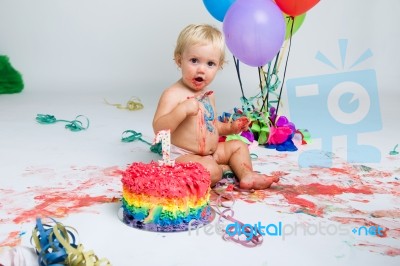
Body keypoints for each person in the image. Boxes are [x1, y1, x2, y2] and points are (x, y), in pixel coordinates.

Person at [152, 24, 279, 190]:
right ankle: (202, 173)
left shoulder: (208, 95)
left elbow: (211, 126)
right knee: (213, 171)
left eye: (210, 64)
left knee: (238, 146)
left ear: (219, 66)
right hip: (183, 156)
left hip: (210, 153)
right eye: (194, 60)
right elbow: (159, 129)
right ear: (179, 60)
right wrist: (181, 110)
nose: (201, 69)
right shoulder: (173, 94)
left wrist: (230, 128)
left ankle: (247, 175)